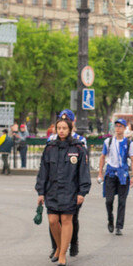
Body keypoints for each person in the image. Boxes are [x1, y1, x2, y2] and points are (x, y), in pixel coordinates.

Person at [35, 118, 91, 266]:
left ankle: (62, 254)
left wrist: (82, 192)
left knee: (66, 220)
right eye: (59, 128)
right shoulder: (50, 148)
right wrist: (40, 192)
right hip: (52, 190)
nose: (61, 131)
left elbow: (83, 171)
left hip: (70, 190)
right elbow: (43, 171)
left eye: (64, 128)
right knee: (53, 221)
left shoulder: (78, 148)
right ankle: (59, 246)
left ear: (70, 129)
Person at [48, 110, 87, 258]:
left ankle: (74, 243)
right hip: (56, 185)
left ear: (73, 122)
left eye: (67, 121)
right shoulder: (52, 139)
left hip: (72, 185)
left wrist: (81, 190)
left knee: (71, 218)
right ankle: (56, 247)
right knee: (53, 218)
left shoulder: (80, 141)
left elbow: (82, 163)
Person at [97, 118, 133, 236]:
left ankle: (119, 226)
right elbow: (103, 157)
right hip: (110, 174)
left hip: (123, 175)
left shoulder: (129, 143)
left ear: (125, 128)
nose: (118, 128)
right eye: (116, 126)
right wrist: (100, 173)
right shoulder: (108, 142)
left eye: (120, 126)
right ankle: (110, 218)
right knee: (109, 200)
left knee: (122, 201)